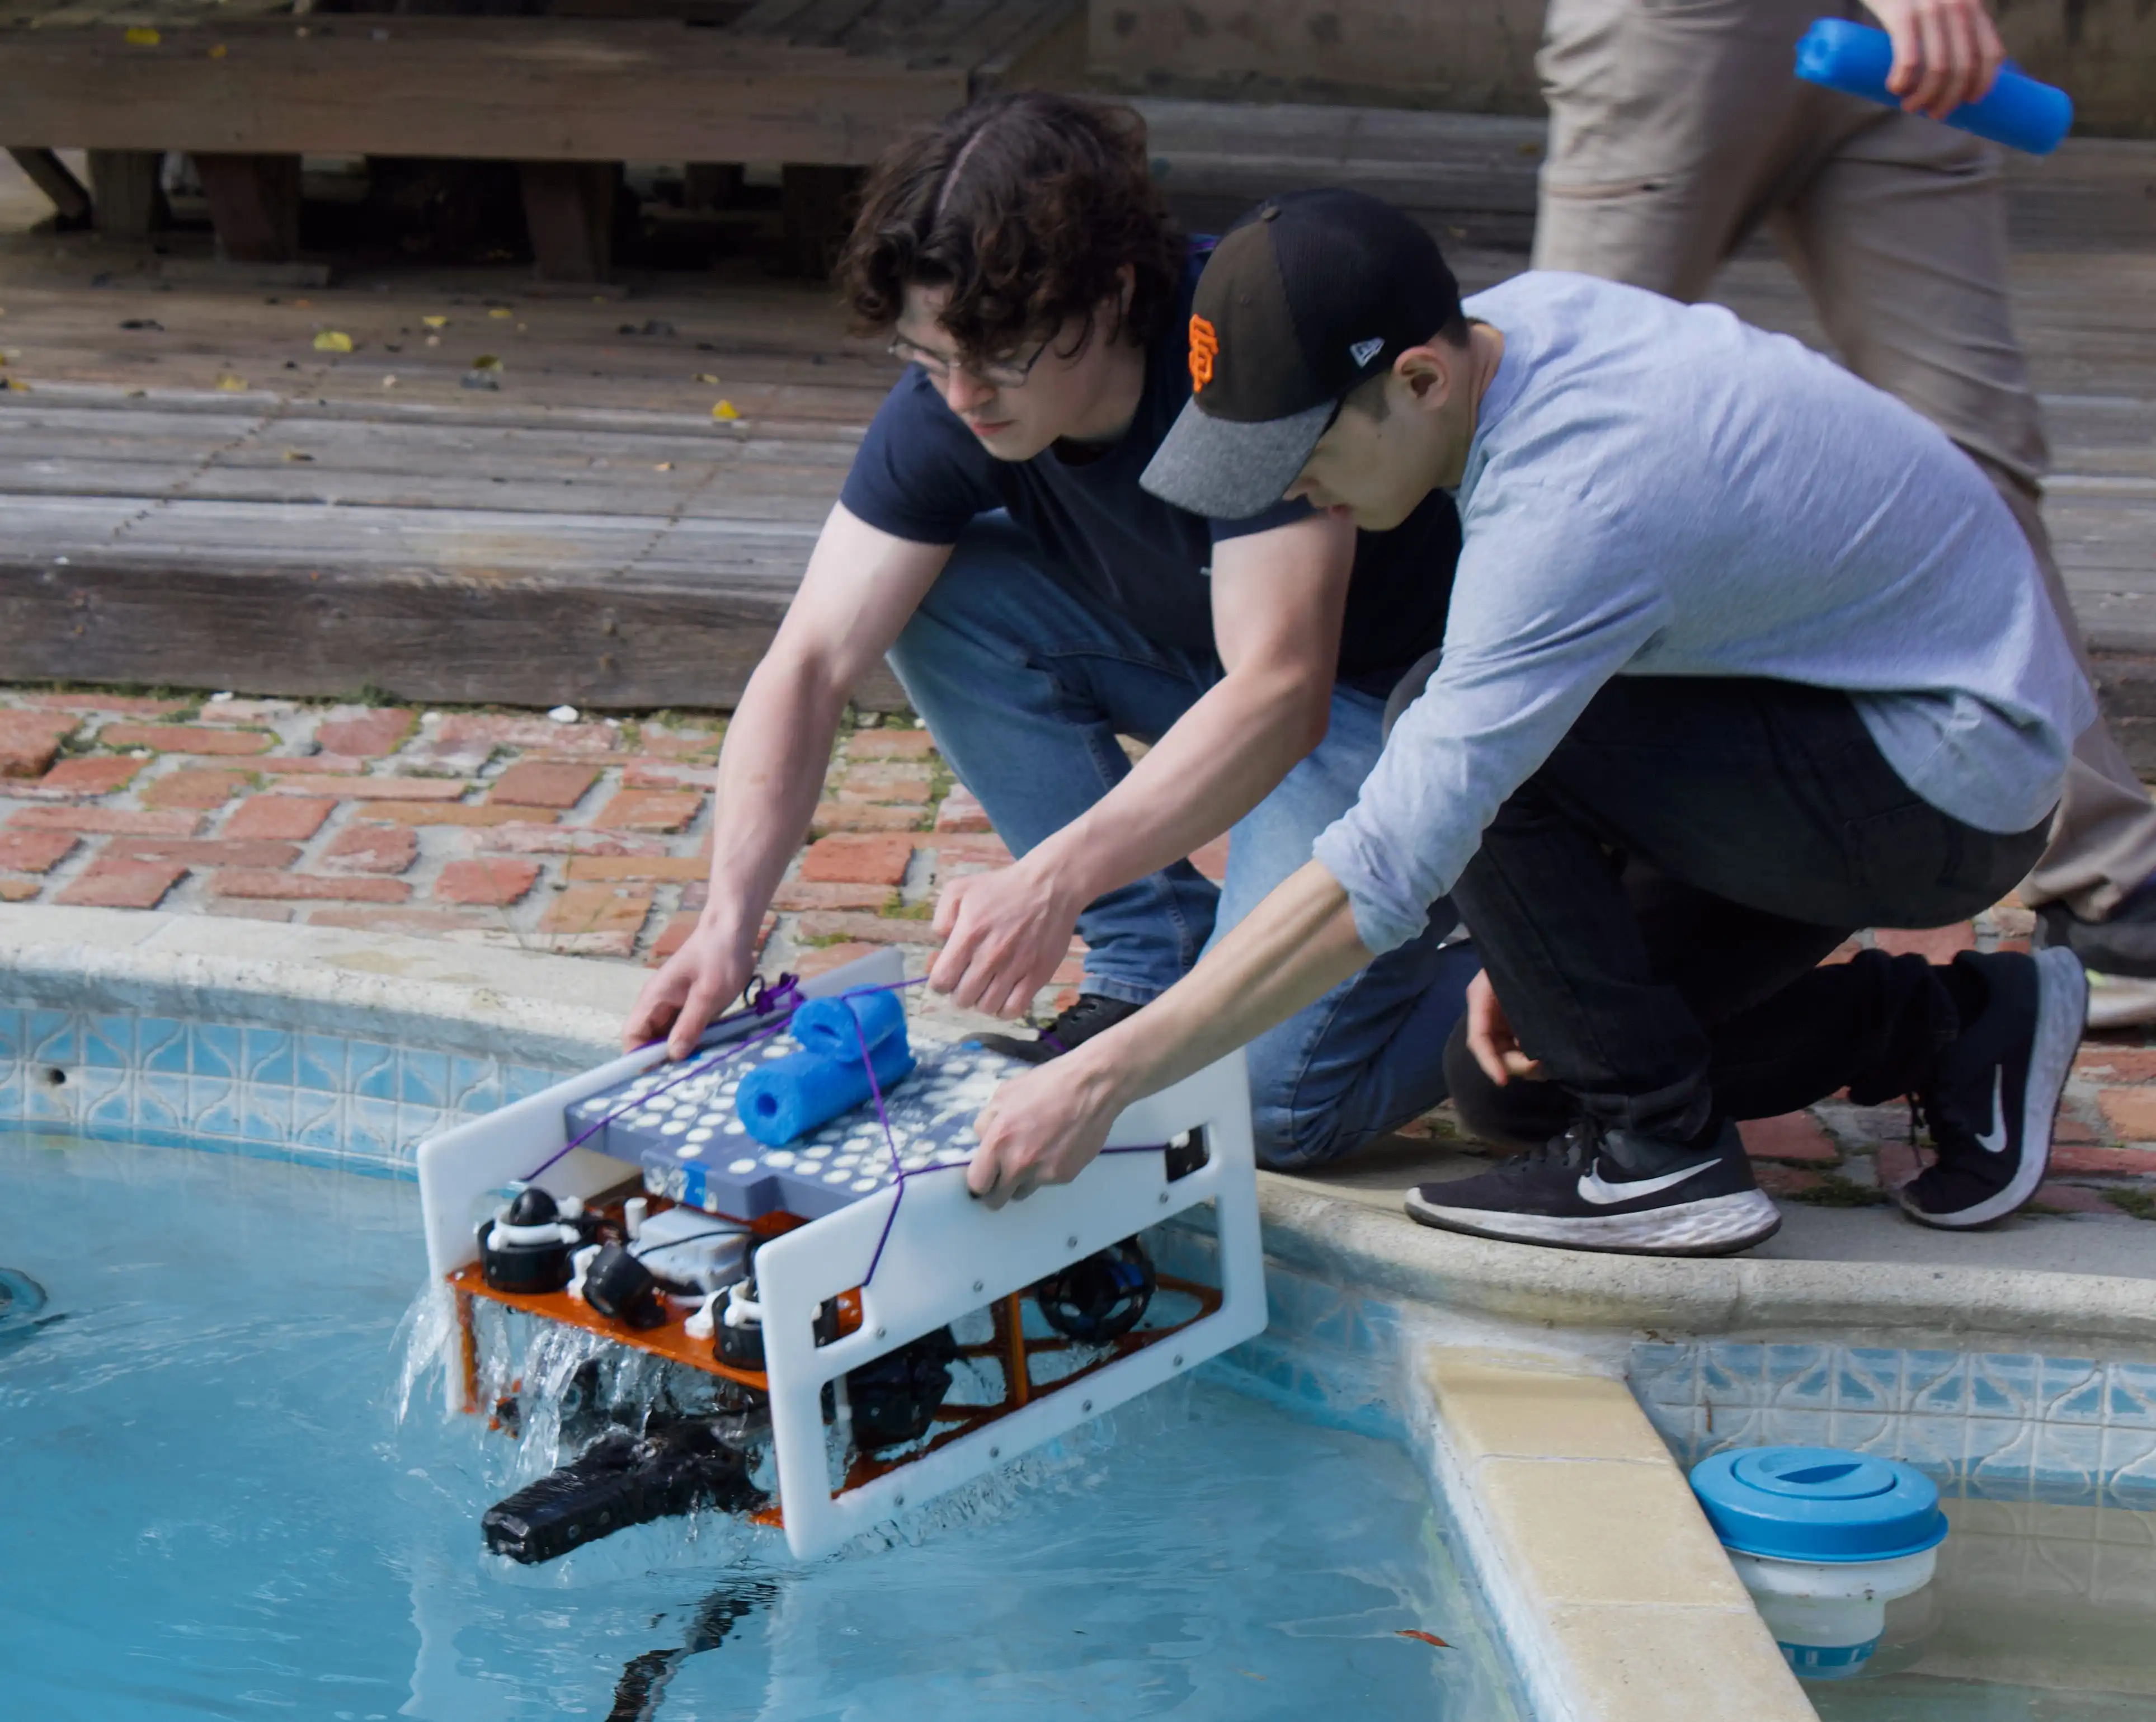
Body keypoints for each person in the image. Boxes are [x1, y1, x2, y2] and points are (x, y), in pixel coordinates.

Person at [964, 189, 2092, 1255]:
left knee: (1444, 732)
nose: (1291, 493)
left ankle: (1664, 1161)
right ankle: (1948, 1023)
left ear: (1417, 381)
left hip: (1941, 773)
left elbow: (1388, 865)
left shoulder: (1574, 498)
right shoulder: (1504, 337)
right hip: (1818, 708)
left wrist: (1105, 1074)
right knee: (1520, 1082)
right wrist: (1559, 948)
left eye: (1299, 455)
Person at [623, 95, 1480, 1169]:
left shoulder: (1246, 349)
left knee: (1256, 1105)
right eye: (929, 356)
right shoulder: (953, 394)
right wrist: (726, 919)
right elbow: (807, 661)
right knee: (938, 595)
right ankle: (1150, 958)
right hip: (1220, 667)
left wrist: (1051, 880)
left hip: (1387, 701)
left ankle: (1532, 969)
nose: (962, 394)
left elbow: (1282, 693)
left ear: (1113, 289)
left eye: (1000, 356)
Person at [1532, 0, 2156, 1023]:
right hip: (1689, 34)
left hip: (1911, 50)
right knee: (1552, 433)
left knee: (1971, 462)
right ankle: (1459, 872)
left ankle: (2106, 882)